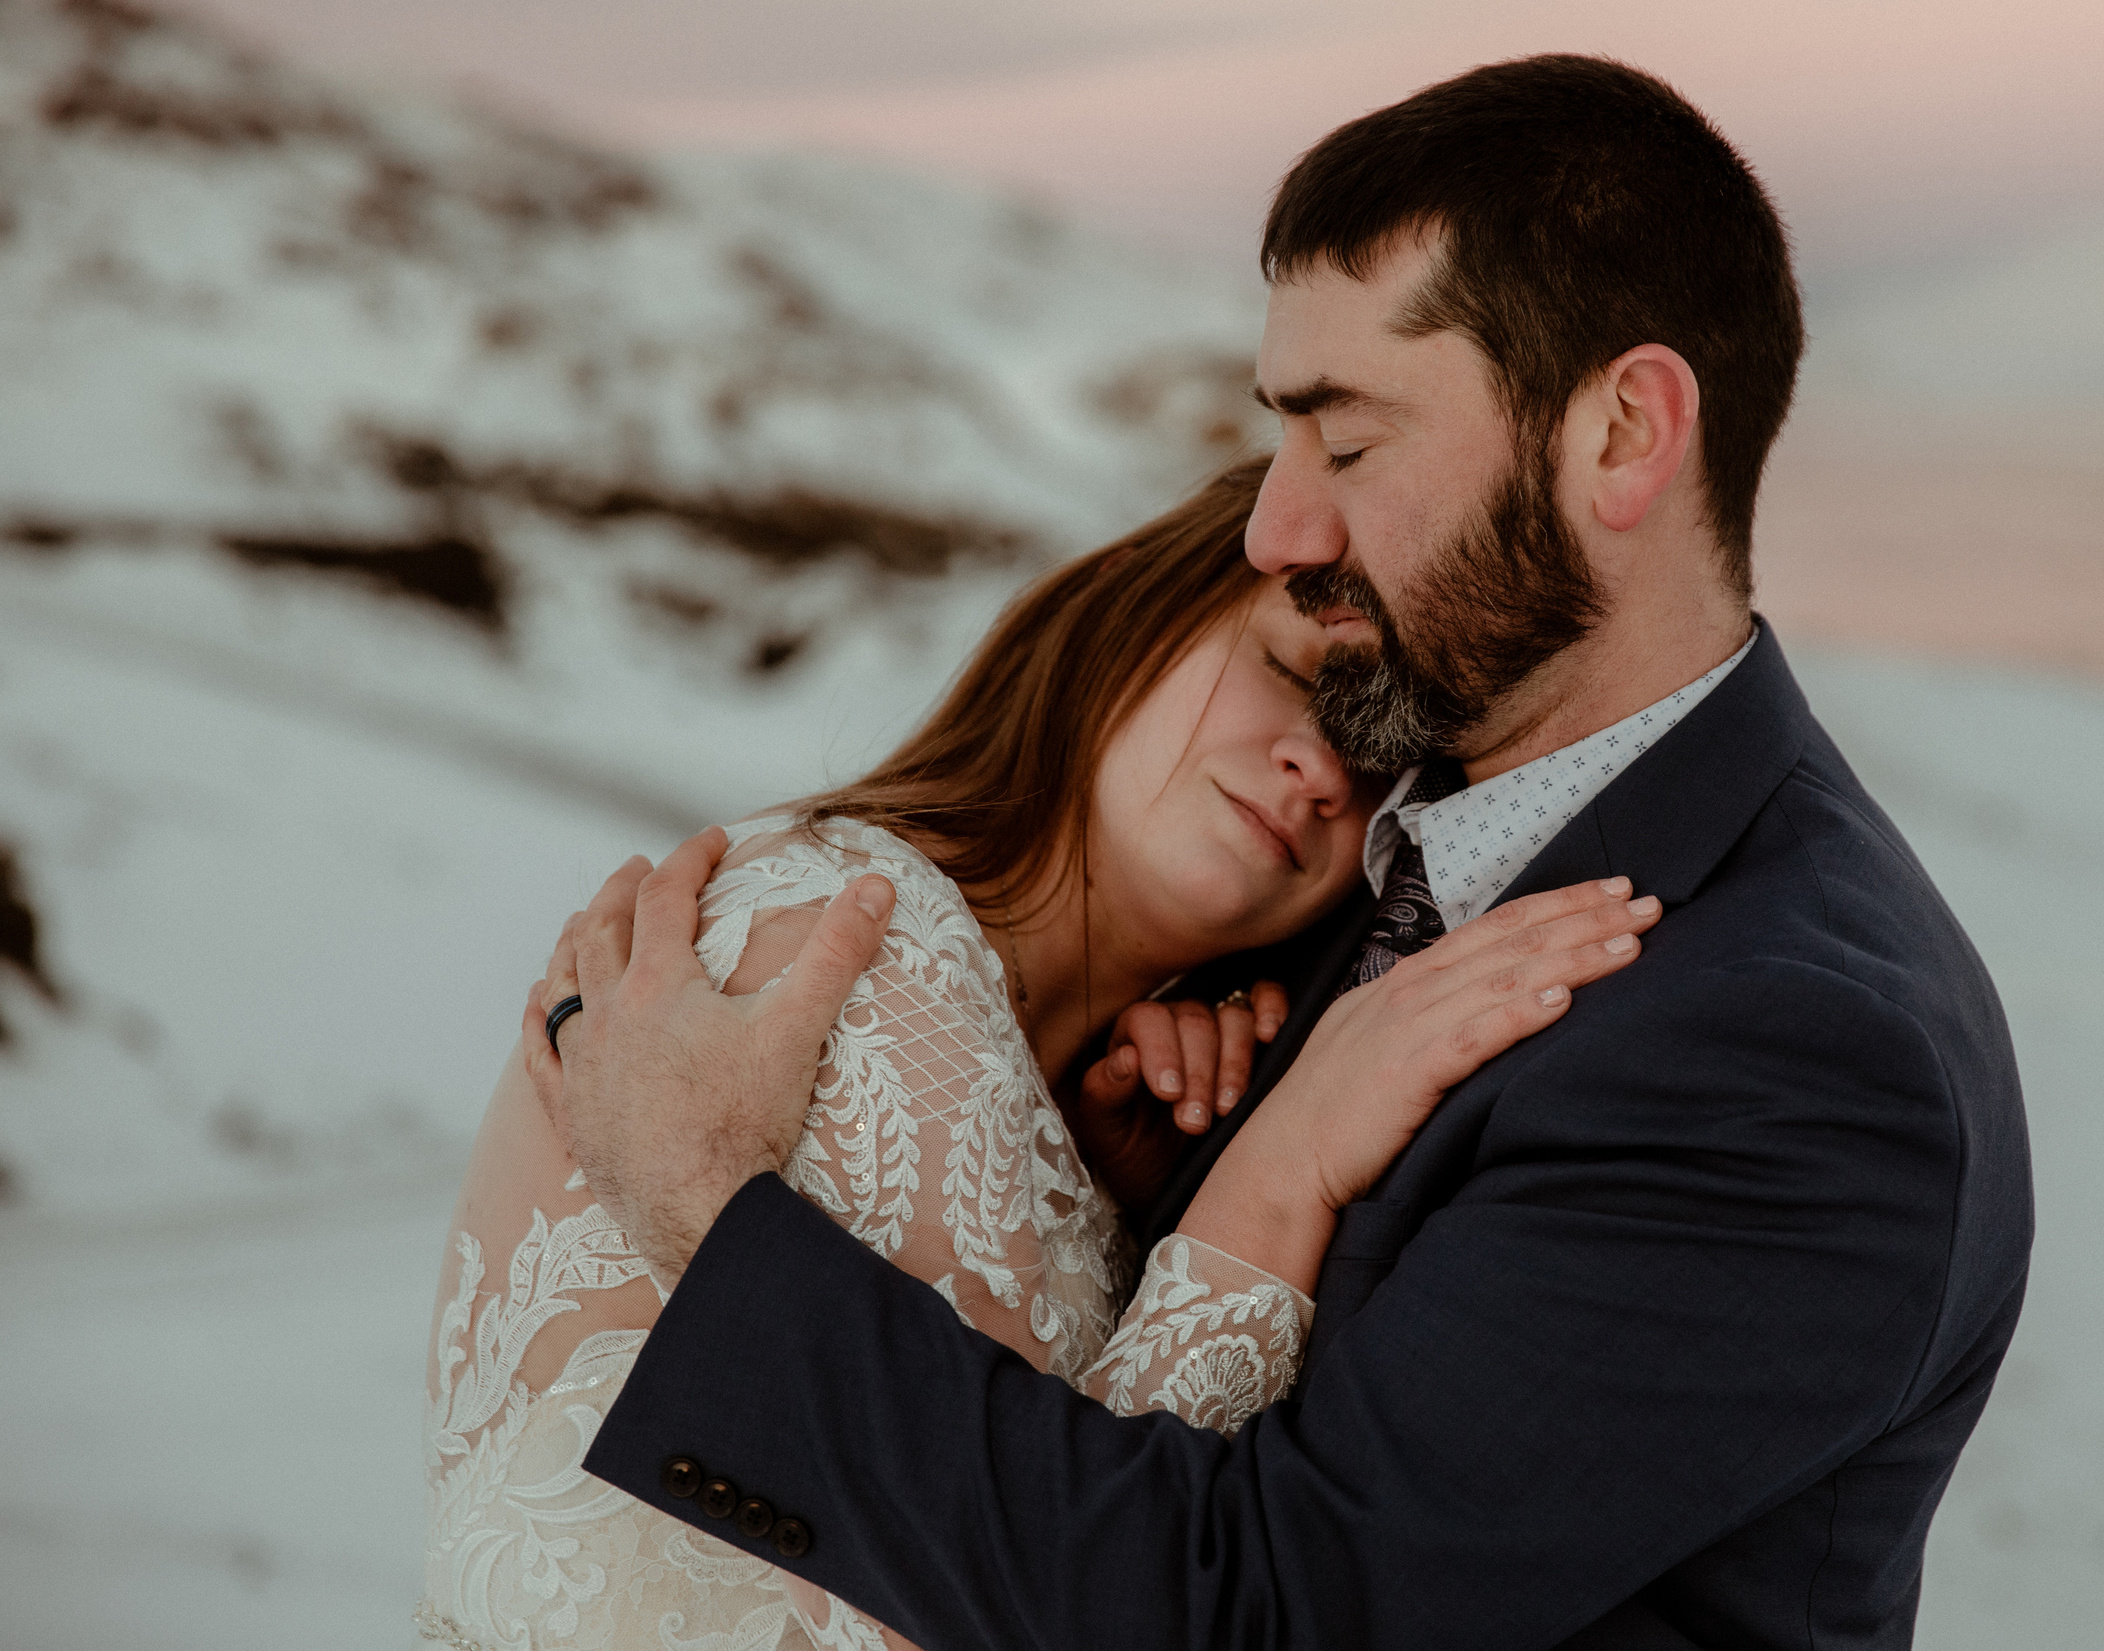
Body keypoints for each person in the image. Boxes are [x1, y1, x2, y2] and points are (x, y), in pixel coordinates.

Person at [541, 55, 2033, 1650]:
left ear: (1622, 433)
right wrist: (1124, 1200)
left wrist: (710, 1201)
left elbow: (1257, 1611)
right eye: (1282, 438)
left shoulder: (1800, 1050)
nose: (1275, 530)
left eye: (1351, 444)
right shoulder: (1384, 843)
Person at [419, 458, 1658, 1650]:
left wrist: (1125, 1215)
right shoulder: (856, 949)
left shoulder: (1025, 1056)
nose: (1324, 769)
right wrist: (1276, 1178)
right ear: (1130, 619)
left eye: (1382, 766)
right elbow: (1002, 1604)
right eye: (1293, 673)